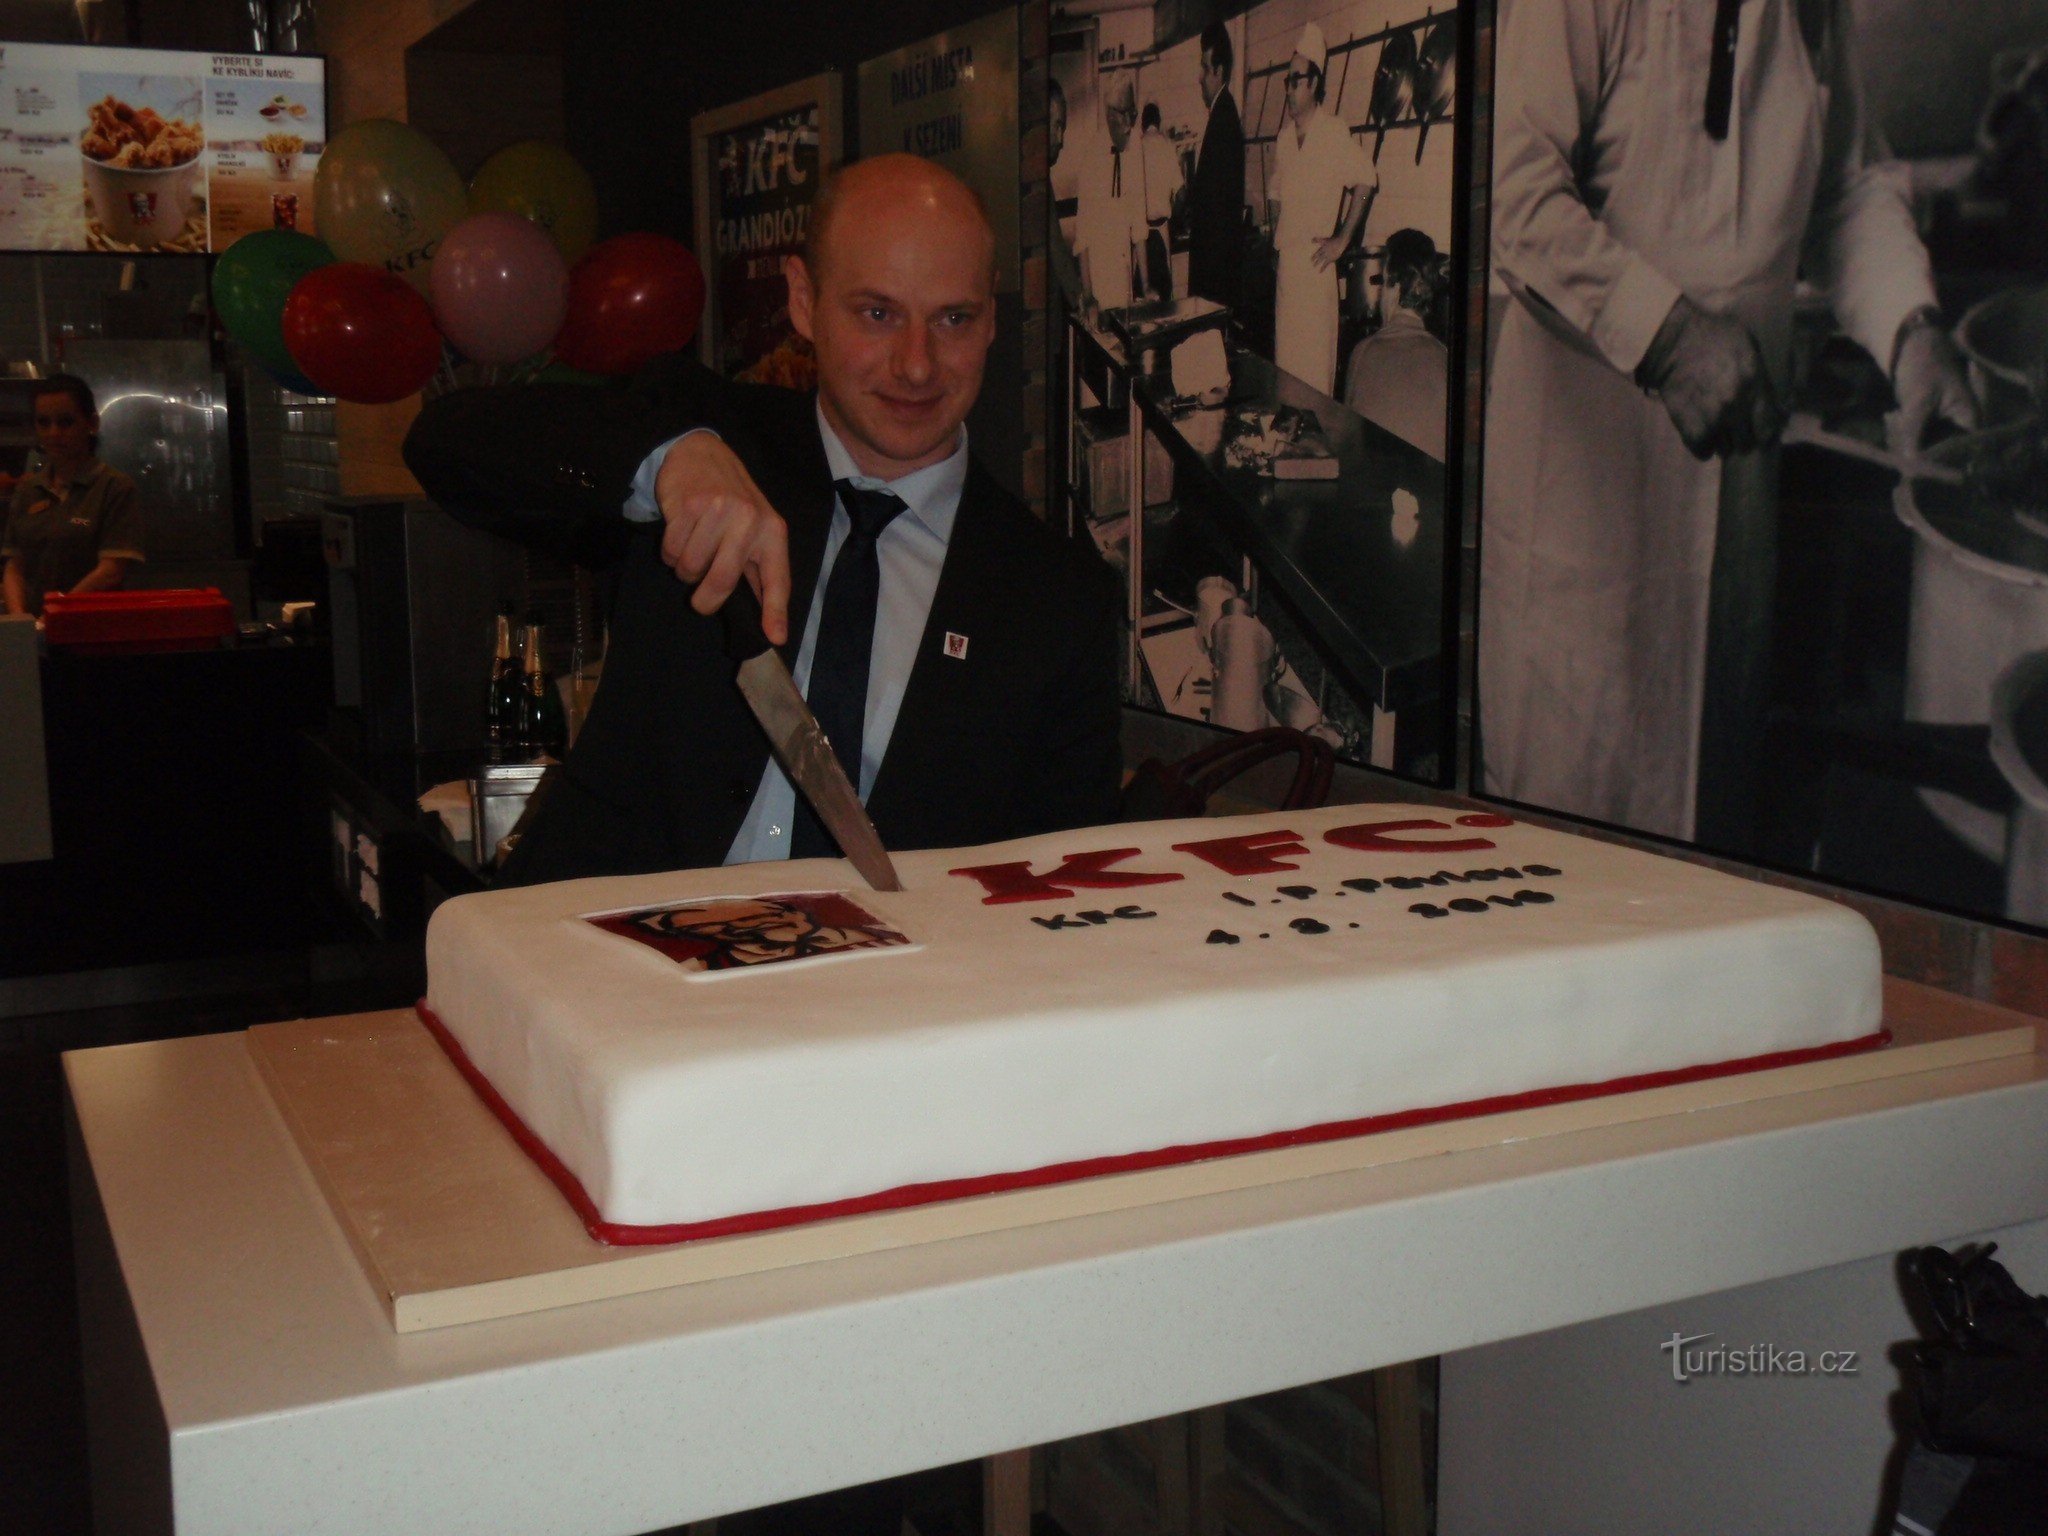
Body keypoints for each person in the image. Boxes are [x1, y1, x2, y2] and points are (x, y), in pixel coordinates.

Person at [405, 155, 1122, 897]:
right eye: (877, 314)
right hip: (614, 969)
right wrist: (665, 462)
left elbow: (1066, 891)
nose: (917, 366)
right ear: (805, 302)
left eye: (953, 319)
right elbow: (444, 444)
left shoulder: (1058, 597)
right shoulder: (709, 440)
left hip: (887, 996)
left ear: (992, 321)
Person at [1479, 0, 1978, 844]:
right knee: (1571, 834)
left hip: (1735, 505)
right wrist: (1669, 339)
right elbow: (1519, 199)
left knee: (1710, 818)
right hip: (1584, 507)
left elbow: (1847, 189)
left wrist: (1912, 330)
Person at [1270, 23, 1376, 396]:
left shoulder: (1332, 133)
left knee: (1313, 383)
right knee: (1286, 379)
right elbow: (1275, 193)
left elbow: (1367, 179)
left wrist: (1342, 240)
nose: (1288, 90)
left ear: (1314, 83)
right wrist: (1274, 235)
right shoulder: (1283, 140)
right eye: (1287, 81)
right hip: (1287, 274)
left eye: (1295, 81)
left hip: (1316, 273)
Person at [3, 374, 142, 618]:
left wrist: (56, 614)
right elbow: (15, 565)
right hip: (35, 632)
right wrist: (20, 620)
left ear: (92, 424)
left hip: (92, 632)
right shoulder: (28, 490)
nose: (53, 433)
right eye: (43, 423)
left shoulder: (113, 487)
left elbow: (111, 570)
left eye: (65, 422)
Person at [1342, 228, 1449, 460]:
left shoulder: (1363, 352)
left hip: (1376, 488)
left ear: (1391, 284)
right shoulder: (1446, 359)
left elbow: (1348, 440)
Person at [1068, 72, 1149, 312]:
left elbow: (1139, 226)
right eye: (1123, 115)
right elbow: (1082, 237)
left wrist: (1146, 286)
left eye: (1132, 114)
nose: (1129, 125)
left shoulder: (1135, 150)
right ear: (1109, 115)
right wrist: (1089, 295)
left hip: (1126, 288)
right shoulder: (1091, 158)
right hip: (1098, 290)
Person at [1186, 19, 1246, 311]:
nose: (1199, 77)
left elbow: (1217, 210)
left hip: (1214, 275)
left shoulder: (1223, 119)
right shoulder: (1221, 114)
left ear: (1218, 72)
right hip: (1215, 271)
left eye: (1204, 68)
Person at [1137, 102, 1182, 300]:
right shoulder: (1167, 147)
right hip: (1163, 233)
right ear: (1159, 122)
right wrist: (1177, 222)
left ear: (1142, 124)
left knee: (1142, 299)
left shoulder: (1136, 147)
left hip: (1140, 236)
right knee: (1165, 302)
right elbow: (1182, 194)